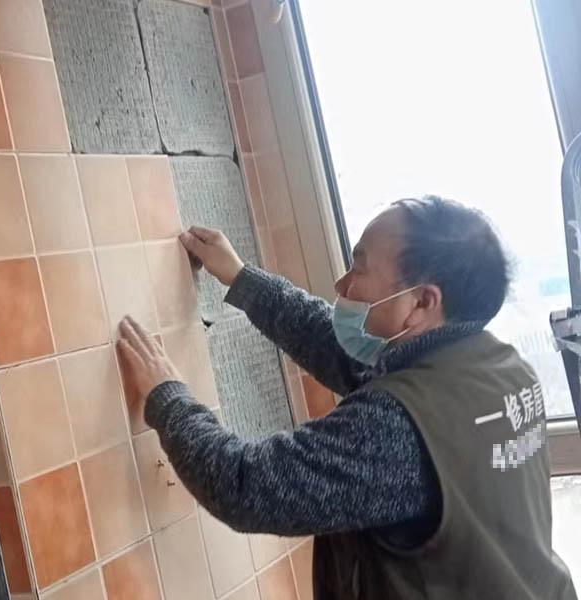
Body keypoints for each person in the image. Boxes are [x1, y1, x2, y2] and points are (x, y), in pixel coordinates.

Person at [116, 195, 578, 600]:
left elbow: (245, 487)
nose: (342, 286)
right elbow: (345, 352)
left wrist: (166, 396)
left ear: (421, 302)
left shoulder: (395, 428)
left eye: (360, 268)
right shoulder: (501, 368)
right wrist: (241, 279)